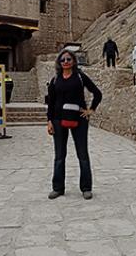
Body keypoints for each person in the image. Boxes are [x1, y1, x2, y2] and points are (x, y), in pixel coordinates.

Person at [46, 49, 102, 200]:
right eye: (63, 60)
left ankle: (86, 188)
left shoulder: (80, 77)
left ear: (74, 61)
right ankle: (58, 188)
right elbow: (50, 102)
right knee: (59, 156)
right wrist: (49, 121)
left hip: (79, 120)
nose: (65, 62)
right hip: (58, 120)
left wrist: (91, 110)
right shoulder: (55, 80)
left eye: (68, 59)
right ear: (59, 62)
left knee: (82, 154)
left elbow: (97, 93)